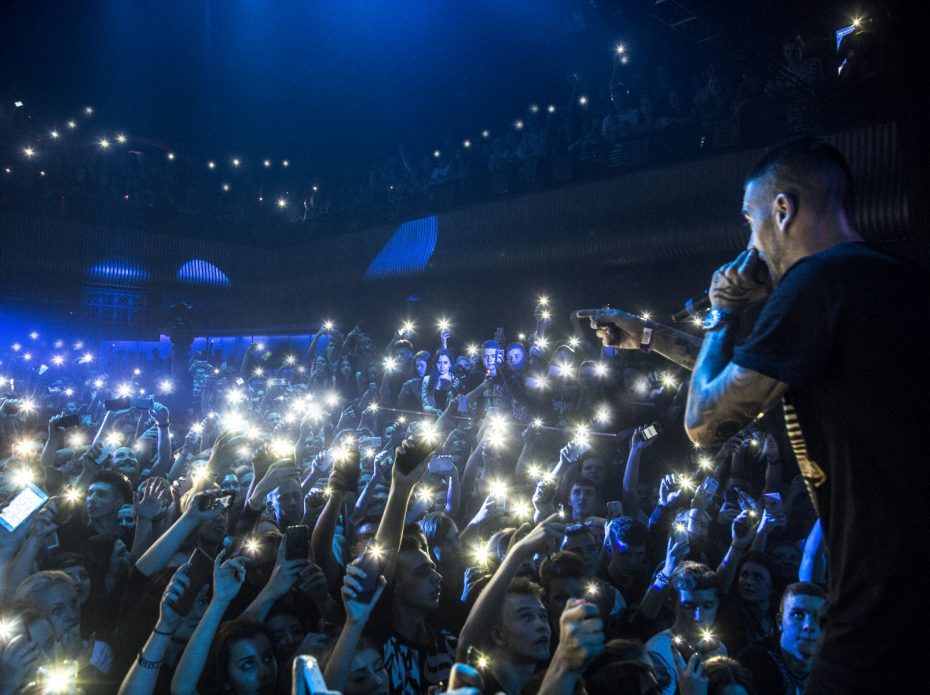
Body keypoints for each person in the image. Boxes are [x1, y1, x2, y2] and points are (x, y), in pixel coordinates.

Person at [584, 138, 930, 692]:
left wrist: (723, 314)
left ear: (782, 209)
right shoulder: (888, 279)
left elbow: (705, 422)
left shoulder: (814, 282)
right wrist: (650, 337)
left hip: (880, 598)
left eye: (750, 221)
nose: (750, 243)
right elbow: (751, 379)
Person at [739, 582, 826, 695]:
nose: (808, 625)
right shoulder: (751, 664)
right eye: (797, 615)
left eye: (818, 616)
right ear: (779, 622)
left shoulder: (832, 667)